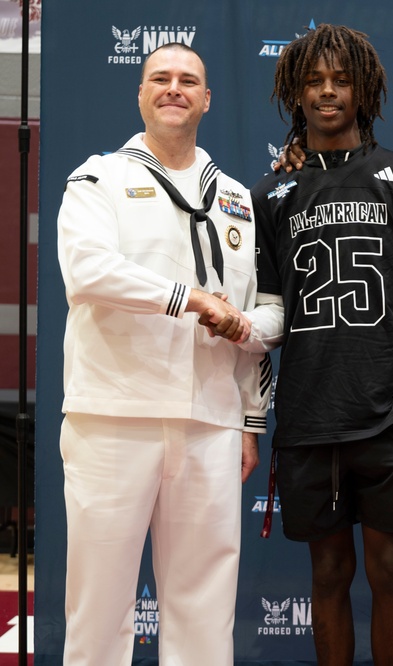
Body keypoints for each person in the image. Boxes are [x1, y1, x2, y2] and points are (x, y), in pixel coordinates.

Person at [228, 24, 393, 666]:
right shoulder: (268, 194)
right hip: (309, 416)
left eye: (341, 79)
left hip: (389, 411)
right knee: (326, 575)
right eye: (314, 81)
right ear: (294, 92)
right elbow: (269, 313)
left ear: (365, 89)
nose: (328, 92)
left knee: (389, 572)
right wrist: (240, 342)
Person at [56, 43, 269, 665]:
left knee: (205, 607)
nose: (174, 89)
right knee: (99, 605)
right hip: (113, 416)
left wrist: (251, 419)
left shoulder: (235, 198)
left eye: (188, 81)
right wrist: (189, 299)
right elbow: (89, 272)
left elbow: (250, 315)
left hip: (211, 422)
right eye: (160, 79)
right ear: (141, 94)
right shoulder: (98, 177)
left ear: (206, 99)